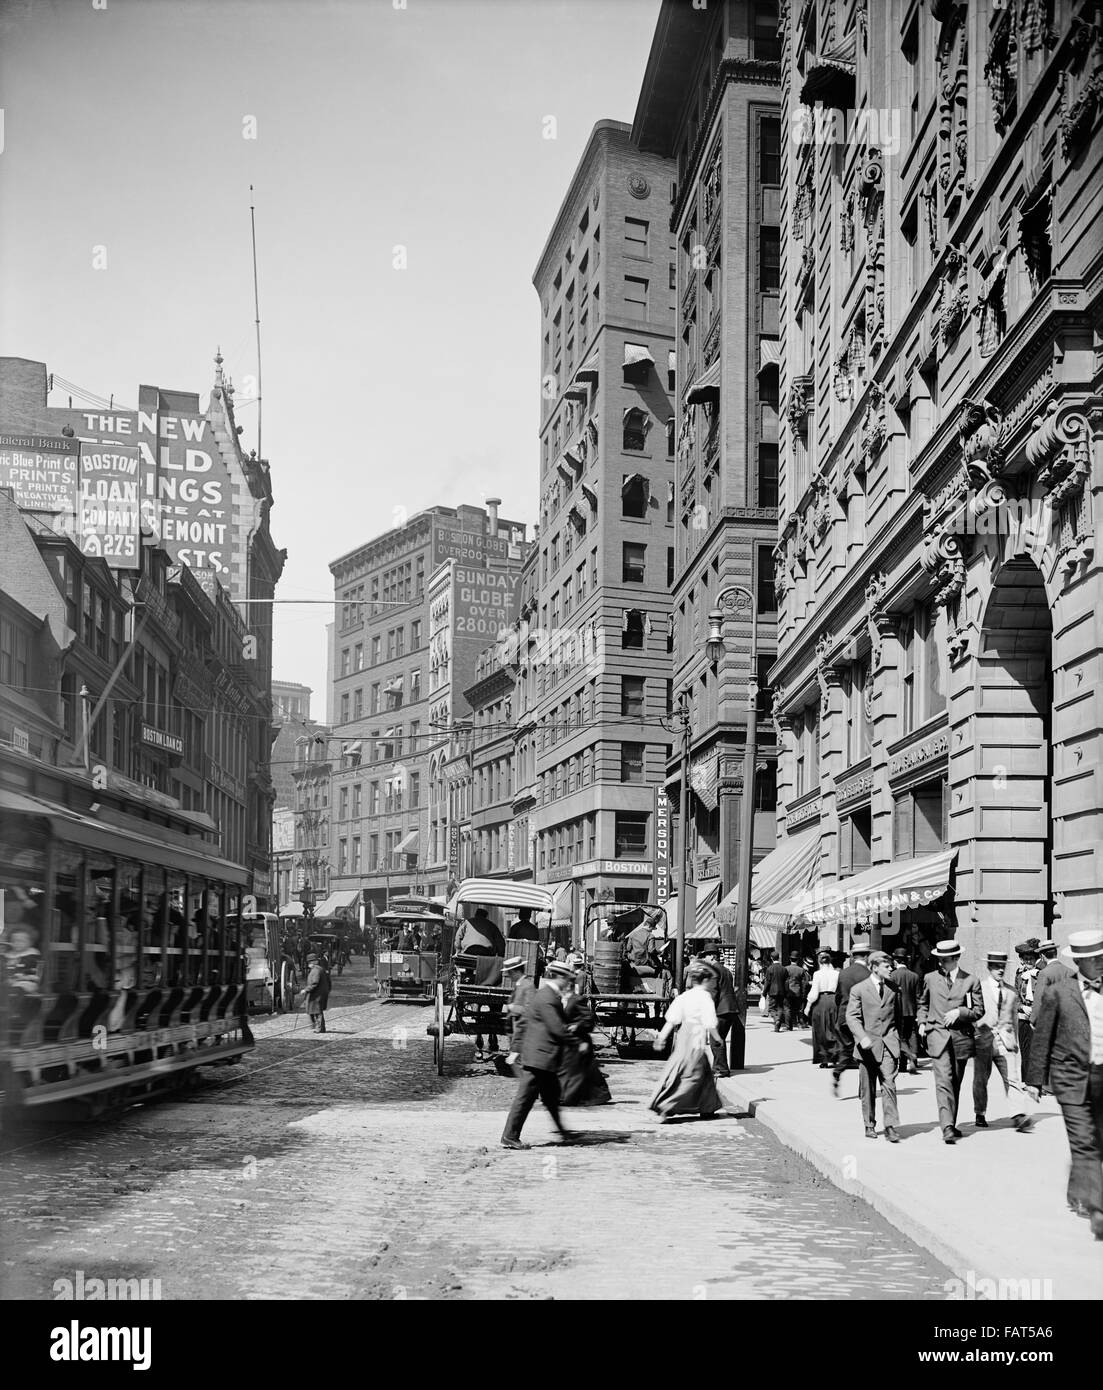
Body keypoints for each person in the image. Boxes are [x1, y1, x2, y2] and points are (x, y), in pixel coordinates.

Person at [1026, 929, 1103, 1239]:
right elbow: (1042, 1037)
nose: (1099, 963)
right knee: (1084, 1140)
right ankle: (1096, 1208)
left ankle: (1079, 1189)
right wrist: (1035, 1080)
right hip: (1071, 1077)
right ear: (1080, 962)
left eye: (1102, 958)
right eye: (1093, 959)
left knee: (1095, 1140)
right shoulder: (1060, 992)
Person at [501, 961, 582, 1149]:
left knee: (551, 1098)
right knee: (524, 1099)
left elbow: (526, 1023)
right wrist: (577, 1043)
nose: (568, 982)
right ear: (559, 977)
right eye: (567, 979)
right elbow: (557, 1029)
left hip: (543, 1057)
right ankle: (510, 1136)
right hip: (539, 1058)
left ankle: (563, 1132)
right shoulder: (547, 998)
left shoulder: (547, 995)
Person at [917, 939, 982, 1144]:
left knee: (955, 1083)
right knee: (943, 1081)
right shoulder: (929, 978)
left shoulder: (971, 980)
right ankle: (946, 1127)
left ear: (956, 958)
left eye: (944, 960)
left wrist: (960, 1012)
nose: (940, 963)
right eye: (939, 959)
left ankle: (951, 1124)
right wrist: (921, 1022)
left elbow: (979, 1011)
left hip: (961, 1038)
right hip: (937, 1035)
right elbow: (922, 1003)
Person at [648, 966, 724, 1122]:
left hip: (684, 1035)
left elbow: (672, 1020)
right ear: (705, 980)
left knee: (693, 1071)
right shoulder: (705, 997)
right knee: (693, 1074)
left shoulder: (684, 996)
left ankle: (707, 1107)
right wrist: (717, 1037)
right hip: (695, 1036)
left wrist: (661, 1037)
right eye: (711, 981)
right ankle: (666, 1105)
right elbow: (709, 1022)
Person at [972, 949, 1035, 1133]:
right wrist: (977, 1029)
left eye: (1002, 967)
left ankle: (1019, 1115)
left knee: (1013, 1079)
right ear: (989, 967)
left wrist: (1014, 1042)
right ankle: (980, 1112)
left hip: (1005, 1042)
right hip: (983, 1040)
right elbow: (973, 1014)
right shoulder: (979, 988)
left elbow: (1014, 1019)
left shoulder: (1012, 992)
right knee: (980, 1079)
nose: (1000, 970)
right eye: (996, 967)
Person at [846, 950, 901, 1143]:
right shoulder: (859, 989)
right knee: (867, 1089)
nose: (891, 969)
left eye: (891, 965)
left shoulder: (894, 988)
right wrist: (862, 1037)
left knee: (889, 1085)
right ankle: (869, 1124)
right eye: (887, 966)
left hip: (888, 1045)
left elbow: (899, 1018)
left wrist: (898, 1040)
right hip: (867, 1048)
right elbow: (852, 1017)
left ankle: (891, 1126)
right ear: (874, 967)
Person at [558, 980, 611, 1105]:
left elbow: (589, 1019)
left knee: (581, 1071)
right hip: (568, 1040)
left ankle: (594, 1096)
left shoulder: (577, 999)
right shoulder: (561, 1000)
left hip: (580, 1040)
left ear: (567, 987)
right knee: (571, 1070)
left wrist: (577, 1026)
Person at [831, 941, 871, 1093]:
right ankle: (863, 1089)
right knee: (864, 1053)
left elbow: (838, 996)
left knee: (847, 1048)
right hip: (861, 1017)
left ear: (853, 957)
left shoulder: (844, 973)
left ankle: (839, 1070)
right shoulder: (867, 974)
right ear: (866, 956)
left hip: (844, 1015)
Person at [698, 945, 737, 1076]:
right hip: (730, 1008)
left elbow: (712, 993)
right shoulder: (726, 970)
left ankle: (722, 1069)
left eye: (706, 956)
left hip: (720, 1010)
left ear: (712, 956)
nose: (705, 959)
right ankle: (717, 1067)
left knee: (716, 1041)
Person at [890, 947, 921, 1075]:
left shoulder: (892, 975)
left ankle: (903, 1061)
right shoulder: (914, 976)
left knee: (899, 1036)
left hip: (896, 1010)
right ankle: (913, 1056)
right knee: (911, 1034)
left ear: (896, 961)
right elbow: (918, 996)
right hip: (911, 1010)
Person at [805, 951, 840, 1067]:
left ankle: (823, 1058)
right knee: (834, 1029)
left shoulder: (817, 974)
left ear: (819, 962)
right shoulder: (836, 973)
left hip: (820, 1001)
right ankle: (834, 1057)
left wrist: (808, 1005)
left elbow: (814, 992)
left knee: (820, 1030)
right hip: (833, 1000)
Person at [1031, 939, 1074, 1026]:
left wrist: (1033, 1020)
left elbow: (1039, 1000)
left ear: (1042, 955)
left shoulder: (1044, 973)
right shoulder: (1070, 971)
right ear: (1056, 953)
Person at [1014, 938, 1040, 1075]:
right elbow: (1016, 996)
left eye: (1031, 958)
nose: (1028, 961)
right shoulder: (1019, 974)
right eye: (1026, 958)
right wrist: (1022, 1007)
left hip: (1038, 1016)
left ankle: (1039, 1082)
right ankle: (1026, 1079)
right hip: (1023, 1014)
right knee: (1024, 1048)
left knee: (1037, 1049)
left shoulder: (1041, 973)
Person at [300, 952, 330, 1033]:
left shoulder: (316, 970)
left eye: (309, 962)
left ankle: (319, 1028)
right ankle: (318, 1027)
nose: (308, 964)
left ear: (314, 962)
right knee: (315, 1010)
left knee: (317, 1011)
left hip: (317, 994)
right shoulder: (318, 969)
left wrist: (305, 990)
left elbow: (314, 983)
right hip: (317, 993)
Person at [783, 952, 809, 1031]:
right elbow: (805, 983)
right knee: (799, 1009)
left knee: (787, 1008)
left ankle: (788, 1026)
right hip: (798, 991)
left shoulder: (786, 969)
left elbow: (783, 981)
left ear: (790, 959)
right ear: (797, 960)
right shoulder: (801, 970)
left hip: (788, 991)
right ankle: (801, 1024)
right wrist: (804, 993)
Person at [762, 952, 788, 1032]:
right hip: (781, 991)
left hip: (772, 991)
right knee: (780, 1007)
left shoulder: (770, 969)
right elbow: (786, 982)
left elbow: (767, 982)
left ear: (771, 958)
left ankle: (776, 1019)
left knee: (771, 1008)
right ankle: (778, 1021)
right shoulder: (783, 969)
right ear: (779, 958)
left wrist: (764, 992)